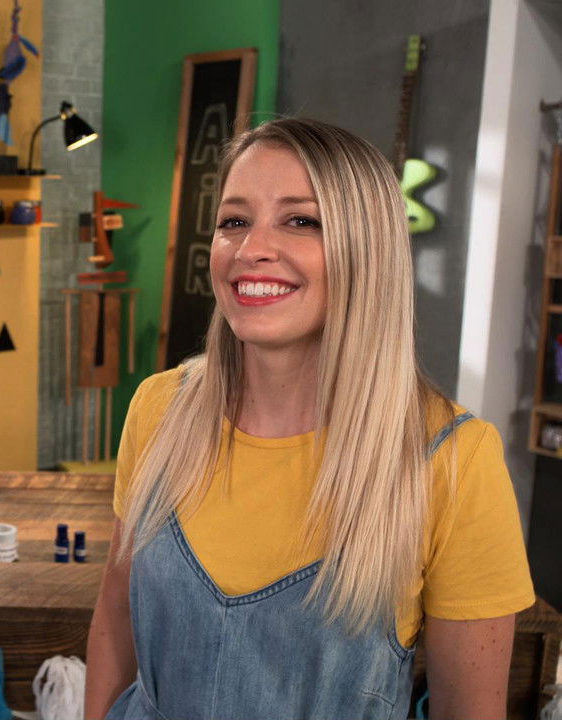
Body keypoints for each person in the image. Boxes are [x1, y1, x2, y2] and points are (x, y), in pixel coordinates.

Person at [84, 118, 534, 720]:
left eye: (301, 221)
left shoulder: (453, 460)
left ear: (368, 250)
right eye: (234, 221)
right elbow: (116, 622)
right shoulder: (159, 409)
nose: (250, 249)